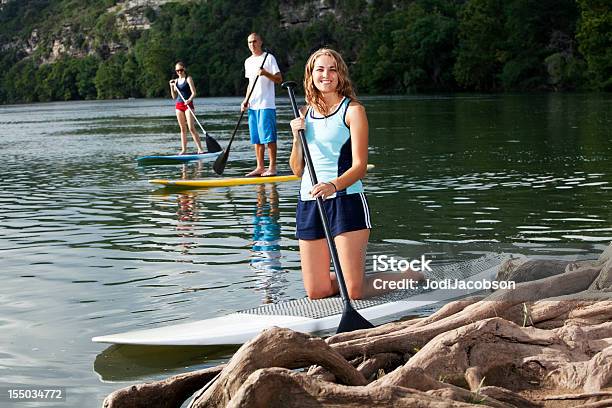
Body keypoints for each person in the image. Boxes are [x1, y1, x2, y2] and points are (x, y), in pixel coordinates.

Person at [289, 48, 423, 300]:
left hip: (345, 200)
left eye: (332, 69)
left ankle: (409, 276)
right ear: (310, 75)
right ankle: (348, 276)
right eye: (320, 69)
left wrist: (333, 185)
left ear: (340, 75)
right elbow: (297, 170)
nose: (326, 75)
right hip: (309, 204)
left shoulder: (353, 111)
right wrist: (296, 138)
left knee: (354, 291)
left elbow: (360, 166)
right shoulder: (304, 114)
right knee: (317, 292)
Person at [242, 33, 282, 177]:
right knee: (257, 138)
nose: (252, 45)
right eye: (249, 42)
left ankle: (272, 167)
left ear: (260, 42)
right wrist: (245, 100)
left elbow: (279, 79)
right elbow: (250, 84)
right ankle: (260, 167)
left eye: (254, 41)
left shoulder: (269, 58)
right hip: (253, 104)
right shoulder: (248, 61)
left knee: (269, 137)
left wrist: (265, 73)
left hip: (266, 104)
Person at [169, 61, 204, 155]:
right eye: (177, 71)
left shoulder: (188, 79)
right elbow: (174, 97)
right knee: (182, 129)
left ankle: (200, 149)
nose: (179, 72)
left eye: (180, 70)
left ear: (184, 69)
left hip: (188, 105)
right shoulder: (175, 81)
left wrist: (189, 100)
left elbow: (194, 93)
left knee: (191, 128)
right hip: (179, 105)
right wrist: (171, 87)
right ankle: (184, 150)